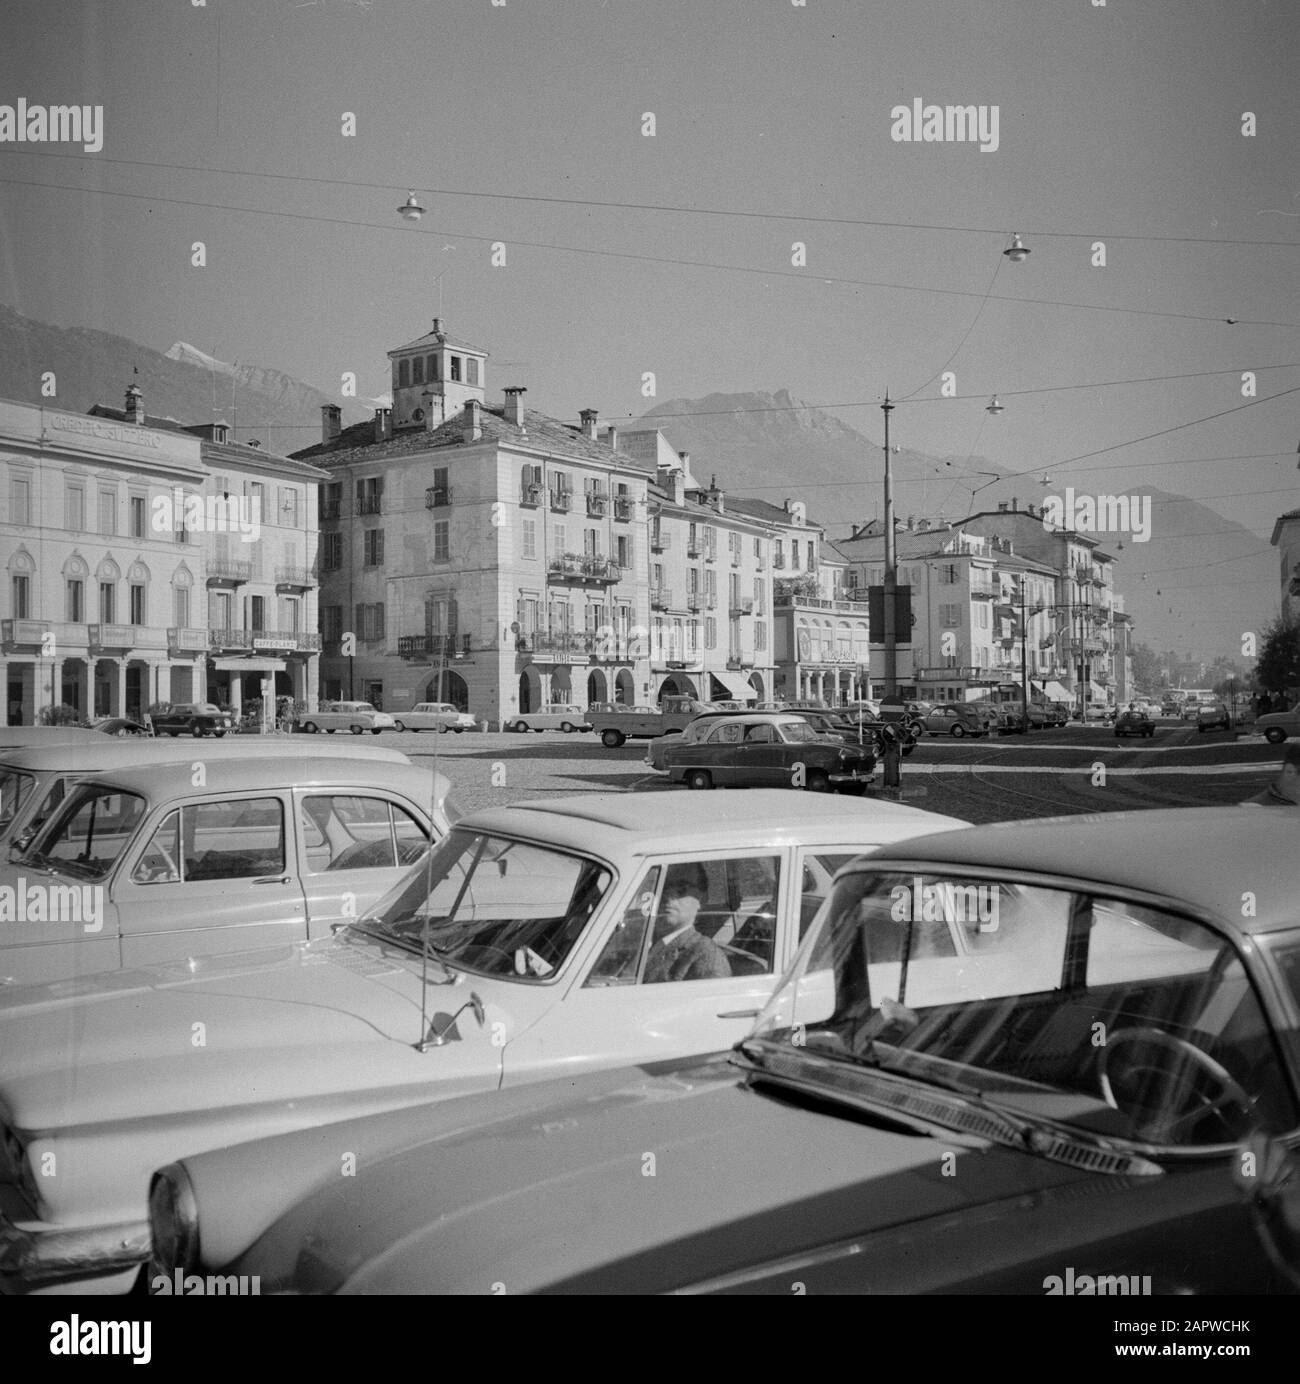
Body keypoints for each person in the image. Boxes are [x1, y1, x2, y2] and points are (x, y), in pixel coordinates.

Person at [643, 864, 731, 983]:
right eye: (663, 888)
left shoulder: (707, 955)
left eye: (682, 889)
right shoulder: (645, 942)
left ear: (702, 899)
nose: (668, 896)